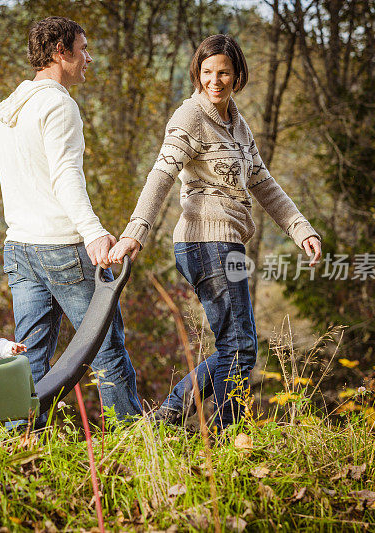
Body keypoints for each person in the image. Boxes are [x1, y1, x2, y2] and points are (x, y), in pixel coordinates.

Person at [108, 34, 322, 431]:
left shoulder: (237, 125)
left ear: (238, 75)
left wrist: (299, 227)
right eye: (207, 72)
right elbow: (161, 174)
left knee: (237, 347)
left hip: (230, 245)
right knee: (240, 347)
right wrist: (135, 231)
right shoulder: (190, 117)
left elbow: (263, 182)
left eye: (224, 72)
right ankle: (222, 436)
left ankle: (167, 420)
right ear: (198, 73)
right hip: (206, 242)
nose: (215, 80)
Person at [0, 16, 141, 422]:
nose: (88, 59)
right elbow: (65, 176)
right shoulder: (59, 105)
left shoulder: (12, 108)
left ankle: (20, 447)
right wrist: (94, 233)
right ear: (61, 52)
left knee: (28, 361)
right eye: (83, 49)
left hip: (19, 248)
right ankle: (132, 446)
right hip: (61, 246)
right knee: (106, 348)